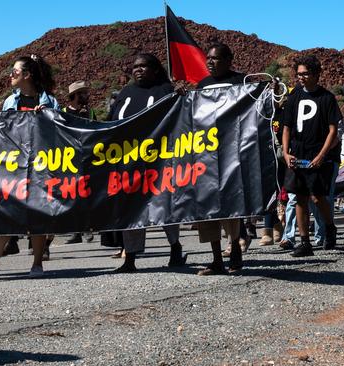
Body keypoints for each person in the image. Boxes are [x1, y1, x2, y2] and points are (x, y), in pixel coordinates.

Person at [0, 55, 59, 279]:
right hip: (13, 165)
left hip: (41, 165)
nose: (11, 75)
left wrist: (45, 117)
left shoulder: (50, 101)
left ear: (27, 75)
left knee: (38, 215)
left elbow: (59, 131)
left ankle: (37, 264)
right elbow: (2, 131)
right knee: (5, 210)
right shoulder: (10, 102)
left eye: (15, 72)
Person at [105, 53, 185, 273]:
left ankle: (175, 248)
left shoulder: (165, 91)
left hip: (158, 163)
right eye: (135, 66)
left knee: (164, 206)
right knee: (130, 209)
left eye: (143, 66)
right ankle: (130, 258)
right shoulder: (126, 93)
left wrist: (180, 96)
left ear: (155, 69)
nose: (138, 70)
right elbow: (110, 122)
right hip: (128, 163)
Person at [194, 43, 246, 275]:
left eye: (215, 59)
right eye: (208, 59)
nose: (210, 62)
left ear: (228, 59)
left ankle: (235, 246)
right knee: (208, 208)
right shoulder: (202, 86)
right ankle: (216, 259)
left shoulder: (242, 82)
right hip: (206, 155)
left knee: (231, 206)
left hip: (232, 153)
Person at [282, 55, 340, 257]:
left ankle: (330, 227)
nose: (301, 77)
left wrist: (322, 155)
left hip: (317, 153)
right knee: (300, 197)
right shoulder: (294, 96)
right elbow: (286, 127)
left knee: (317, 197)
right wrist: (285, 152)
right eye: (299, 74)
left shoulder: (327, 98)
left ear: (316, 74)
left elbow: (333, 130)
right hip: (297, 152)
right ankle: (304, 242)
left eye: (305, 73)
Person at [62, 80, 96, 244]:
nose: (86, 96)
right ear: (74, 96)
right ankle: (75, 232)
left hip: (87, 158)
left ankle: (88, 229)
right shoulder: (62, 112)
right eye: (82, 93)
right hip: (70, 159)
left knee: (87, 195)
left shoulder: (90, 112)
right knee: (72, 196)